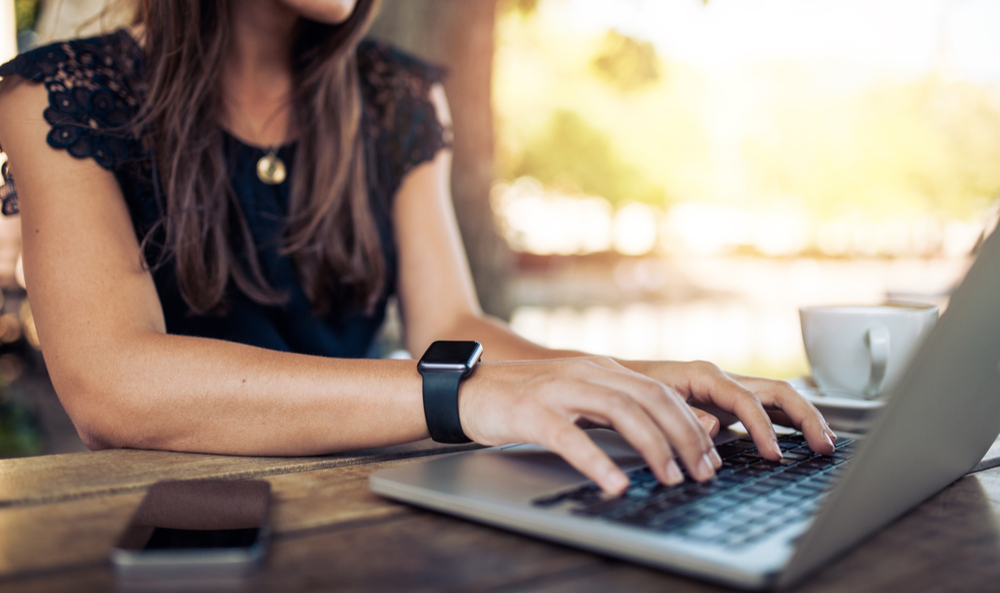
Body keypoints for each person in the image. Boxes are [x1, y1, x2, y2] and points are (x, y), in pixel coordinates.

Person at [0, 0, 835, 495]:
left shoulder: (400, 96)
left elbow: (452, 325)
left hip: (363, 498)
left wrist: (626, 382)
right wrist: (460, 397)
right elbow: (113, 384)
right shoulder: (59, 93)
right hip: (168, 527)